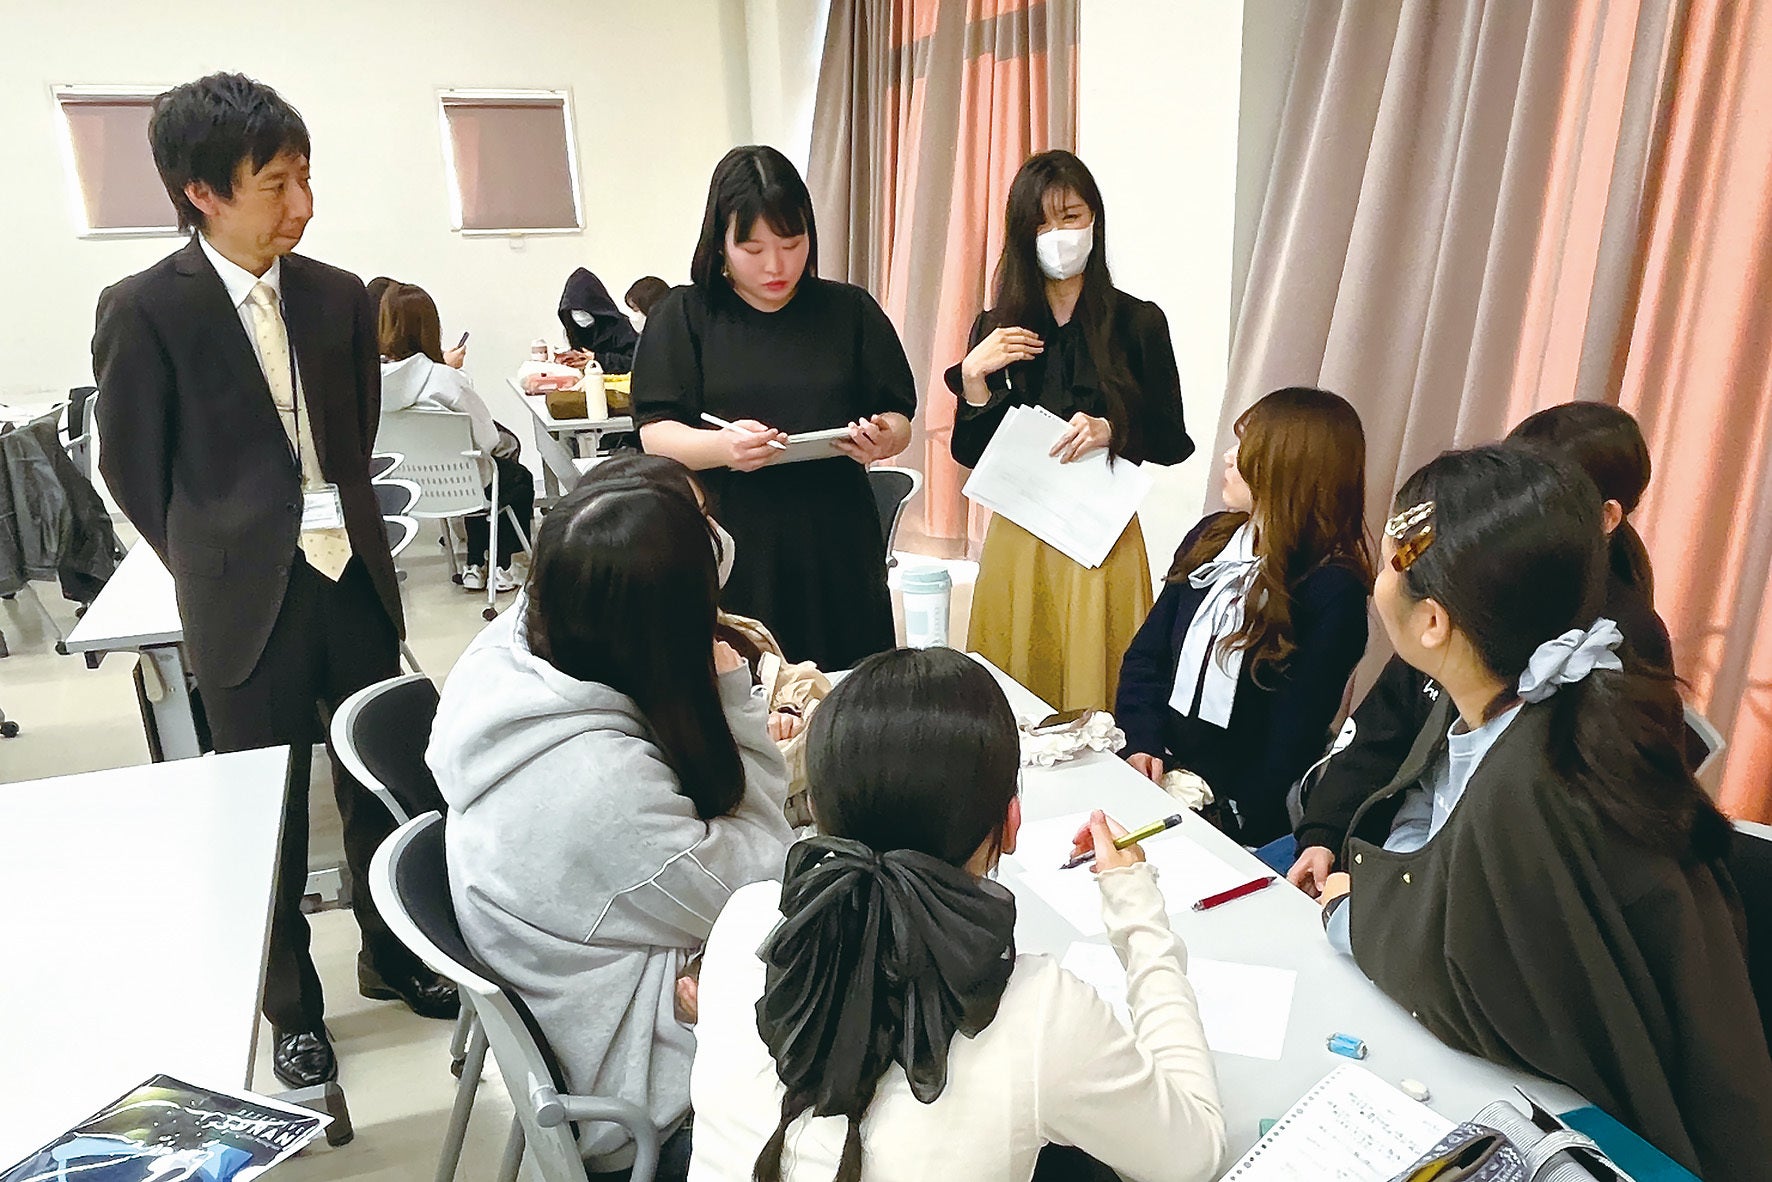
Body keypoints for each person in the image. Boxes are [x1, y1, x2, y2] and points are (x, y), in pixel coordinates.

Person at [92, 73, 456, 1090]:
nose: (302, 204)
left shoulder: (340, 297)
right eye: (276, 184)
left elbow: (353, 436)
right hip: (241, 601)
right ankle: (292, 1007)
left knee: (383, 784)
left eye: (306, 176)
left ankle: (394, 957)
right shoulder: (145, 310)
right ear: (202, 191)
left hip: (351, 579)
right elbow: (132, 467)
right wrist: (214, 555)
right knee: (269, 811)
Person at [1318, 445, 1772, 1181]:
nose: (1379, 578)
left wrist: (1349, 914)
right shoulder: (1531, 703)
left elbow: (1464, 986)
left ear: (1432, 622)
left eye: (1391, 565)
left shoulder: (1534, 785)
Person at [688, 647, 1227, 1182]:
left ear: (816, 810)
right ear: (1010, 823)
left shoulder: (747, 923)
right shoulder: (1036, 1012)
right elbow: (1191, 1157)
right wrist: (1137, 910)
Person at [430, 469, 794, 1178]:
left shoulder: (512, 649)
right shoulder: (599, 787)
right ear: (665, 626)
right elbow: (766, 881)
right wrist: (735, 699)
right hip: (654, 1103)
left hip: (604, 1004)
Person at [1287, 401, 1675, 896]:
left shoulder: (1590, 673)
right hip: (1389, 866)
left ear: (1605, 516)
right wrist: (1325, 833)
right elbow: (1398, 746)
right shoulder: (1460, 610)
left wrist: (1365, 905)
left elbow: (1496, 895)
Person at [633, 145, 917, 669]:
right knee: (746, 681)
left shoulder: (849, 310)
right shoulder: (683, 315)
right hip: (733, 535)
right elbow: (656, 432)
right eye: (753, 248)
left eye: (791, 244)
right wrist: (724, 448)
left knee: (849, 683)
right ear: (720, 243)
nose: (776, 266)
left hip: (837, 535)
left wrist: (884, 436)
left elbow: (898, 415)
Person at [947, 150, 1194, 712]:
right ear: (1020, 235)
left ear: (1094, 221)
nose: (1057, 235)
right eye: (1040, 224)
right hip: (1019, 533)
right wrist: (973, 379)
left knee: (1101, 686)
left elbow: (1173, 439)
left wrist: (1113, 429)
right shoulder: (996, 326)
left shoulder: (1138, 322)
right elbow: (970, 451)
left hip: (1100, 533)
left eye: (1070, 217)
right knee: (1014, 685)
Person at [1116, 388, 1371, 848]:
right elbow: (1146, 657)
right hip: (1156, 772)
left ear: (1290, 468)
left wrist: (1224, 810)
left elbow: (1292, 737)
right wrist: (1142, 743)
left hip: (1241, 814)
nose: (1229, 457)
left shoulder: (1332, 589)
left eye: (1248, 447)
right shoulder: (1211, 538)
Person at [379, 282, 534, 592]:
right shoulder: (446, 380)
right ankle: (501, 566)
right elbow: (488, 439)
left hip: (408, 489)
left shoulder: (372, 381)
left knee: (480, 471)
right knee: (512, 477)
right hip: (465, 485)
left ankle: (474, 565)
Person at [560, 266, 641, 372]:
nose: (579, 315)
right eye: (574, 311)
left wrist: (598, 359)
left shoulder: (620, 327)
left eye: (583, 310)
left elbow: (635, 362)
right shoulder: (574, 328)